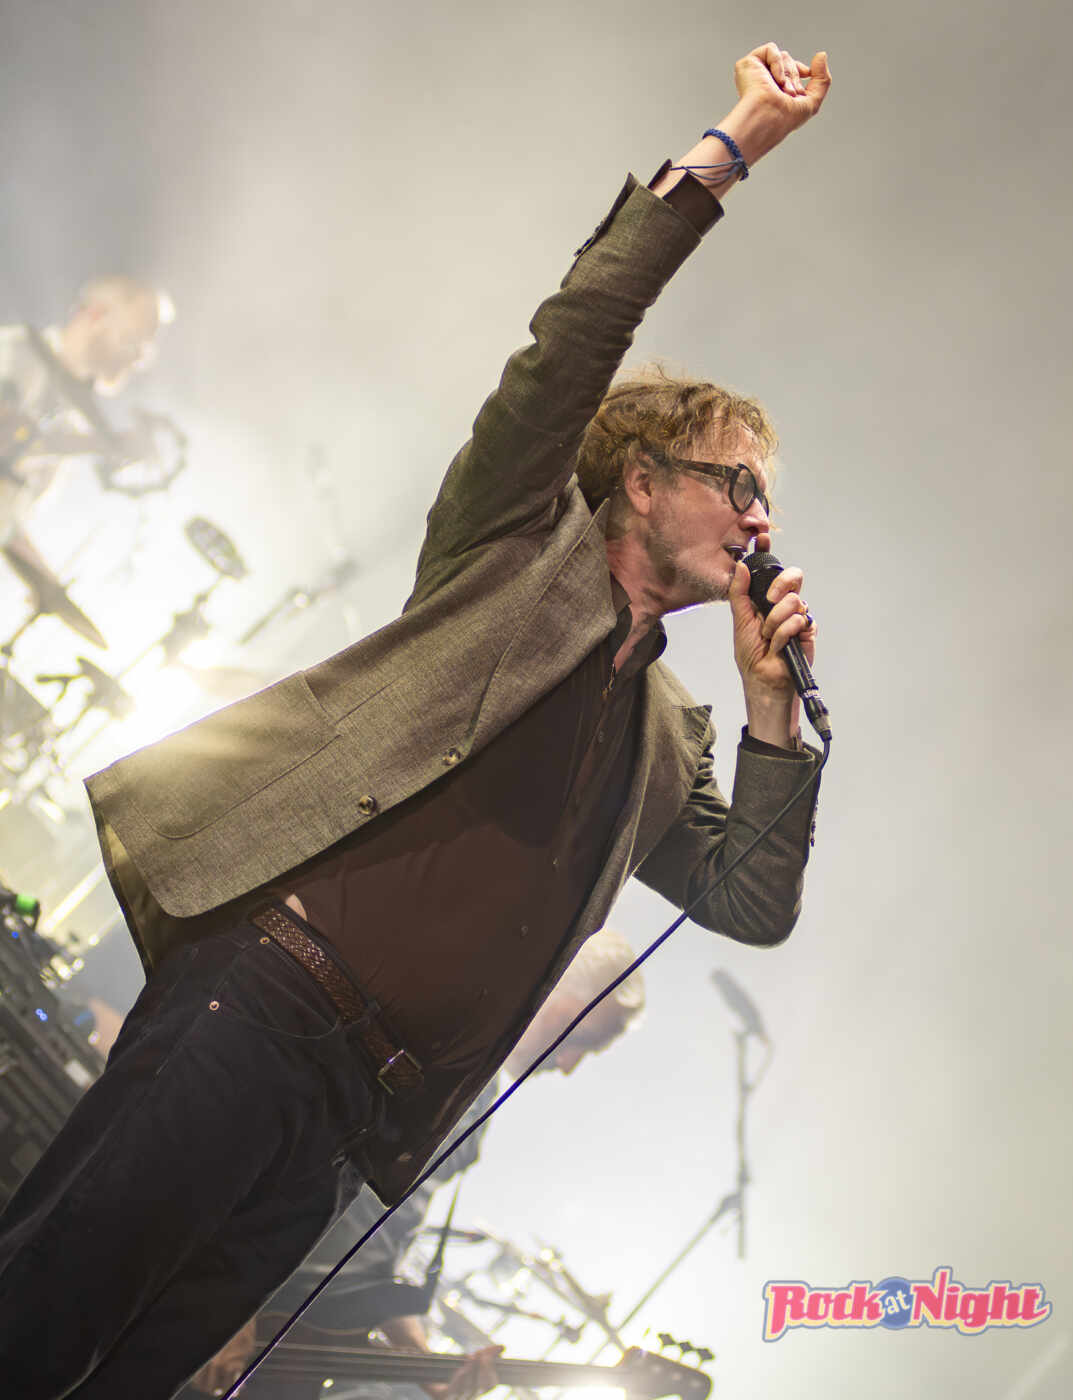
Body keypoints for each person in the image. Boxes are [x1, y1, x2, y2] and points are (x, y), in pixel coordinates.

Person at [0, 41, 831, 1399]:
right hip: (259, 1002)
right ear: (637, 482)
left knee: (135, 1376)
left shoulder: (671, 735)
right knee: (44, 1306)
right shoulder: (514, 552)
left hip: (352, 1118)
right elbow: (572, 338)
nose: (759, 519)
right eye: (735, 484)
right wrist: (733, 144)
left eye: (767, 500)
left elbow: (750, 898)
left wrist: (769, 716)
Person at [189, 928, 645, 1398]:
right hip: (224, 1292)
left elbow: (374, 1248)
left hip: (281, 1331)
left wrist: (426, 1368)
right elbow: (284, 1151)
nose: (569, 1064)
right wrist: (232, 1296)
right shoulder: (432, 1037)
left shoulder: (477, 1101)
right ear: (553, 979)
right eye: (583, 1038)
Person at [0, 273, 173, 571]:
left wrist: (48, 585)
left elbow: (7, 518)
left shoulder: (72, 423)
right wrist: (106, 444)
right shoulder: (15, 352)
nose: (136, 358)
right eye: (131, 340)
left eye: (144, 351)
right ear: (94, 315)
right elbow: (8, 438)